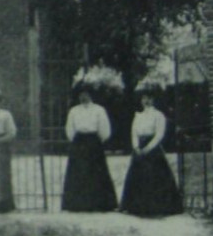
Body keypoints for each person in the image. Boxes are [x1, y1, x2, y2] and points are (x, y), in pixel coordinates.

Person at [121, 89, 185, 217]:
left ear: (153, 100)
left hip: (153, 150)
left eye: (149, 98)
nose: (146, 101)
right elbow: (134, 133)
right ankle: (137, 206)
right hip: (139, 149)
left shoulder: (159, 115)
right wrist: (136, 147)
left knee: (155, 176)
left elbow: (159, 135)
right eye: (144, 98)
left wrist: (148, 148)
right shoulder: (138, 116)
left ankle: (157, 207)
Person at [62, 85, 117, 212]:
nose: (83, 97)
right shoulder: (74, 111)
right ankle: (77, 204)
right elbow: (69, 129)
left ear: (91, 95)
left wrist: (97, 141)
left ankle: (98, 204)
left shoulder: (99, 110)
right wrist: (76, 141)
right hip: (79, 142)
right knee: (78, 172)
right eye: (81, 94)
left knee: (96, 172)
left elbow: (105, 129)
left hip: (93, 142)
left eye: (86, 94)